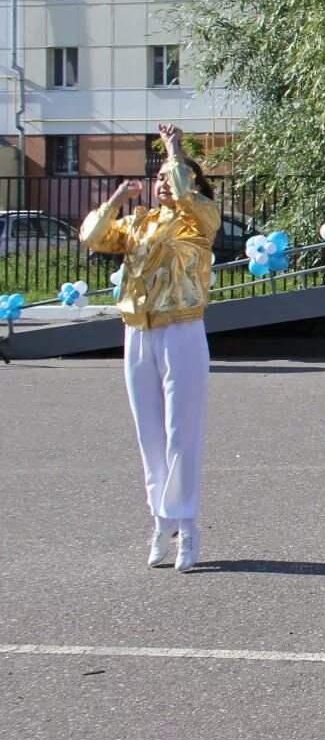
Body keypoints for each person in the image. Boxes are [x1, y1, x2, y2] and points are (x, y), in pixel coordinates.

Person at [80, 123, 219, 571]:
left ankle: (188, 525)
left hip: (182, 329)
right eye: (158, 176)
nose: (162, 182)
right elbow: (93, 238)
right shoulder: (139, 223)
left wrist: (175, 149)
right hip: (138, 331)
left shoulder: (200, 220)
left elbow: (187, 194)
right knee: (149, 435)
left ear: (191, 182)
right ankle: (162, 519)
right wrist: (118, 201)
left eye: (171, 175)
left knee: (183, 432)